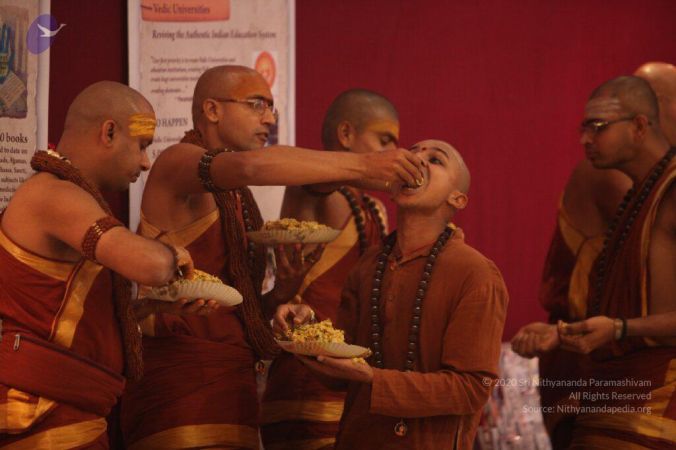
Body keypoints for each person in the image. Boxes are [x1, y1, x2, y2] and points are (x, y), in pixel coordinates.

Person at [120, 65, 425, 449]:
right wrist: (364, 165)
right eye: (256, 105)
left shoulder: (237, 196)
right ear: (212, 110)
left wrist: (281, 292)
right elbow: (252, 166)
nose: (268, 118)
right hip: (179, 386)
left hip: (237, 386)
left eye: (271, 108)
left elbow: (237, 313)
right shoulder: (176, 162)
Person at [275, 139, 509, 450]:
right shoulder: (368, 265)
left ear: (458, 198)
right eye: (411, 154)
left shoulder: (475, 273)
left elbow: (472, 388)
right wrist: (307, 330)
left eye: (436, 159)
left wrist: (375, 379)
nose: (417, 161)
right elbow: (341, 372)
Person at [0, 81, 195, 448]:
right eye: (142, 145)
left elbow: (73, 316)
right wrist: (173, 255)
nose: (146, 162)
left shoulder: (69, 194)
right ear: (109, 132)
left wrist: (151, 308)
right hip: (46, 422)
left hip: (73, 412)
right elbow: (150, 266)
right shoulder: (53, 193)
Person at [514, 76, 676, 449]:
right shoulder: (638, 194)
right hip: (610, 394)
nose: (586, 139)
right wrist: (561, 334)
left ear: (639, 126)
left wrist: (619, 329)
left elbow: (630, 323)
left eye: (598, 127)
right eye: (583, 129)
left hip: (655, 405)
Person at [261, 89, 399, 450]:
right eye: (385, 140)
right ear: (346, 134)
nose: (394, 152)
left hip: (349, 377)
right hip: (305, 379)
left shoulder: (374, 208)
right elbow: (302, 171)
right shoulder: (314, 190)